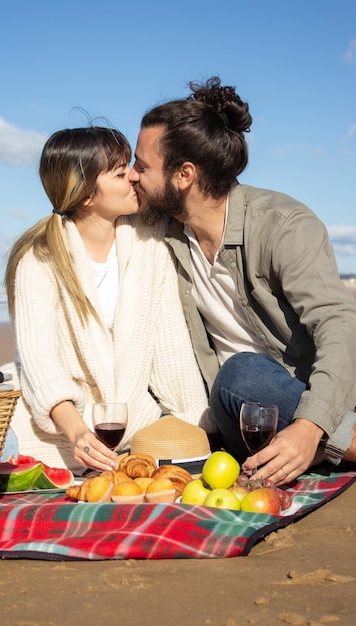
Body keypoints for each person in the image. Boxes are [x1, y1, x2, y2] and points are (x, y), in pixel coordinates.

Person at [129, 76, 356, 486]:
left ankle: (334, 441)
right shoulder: (165, 232)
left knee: (243, 373)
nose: (131, 176)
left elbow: (340, 326)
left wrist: (309, 426)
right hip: (235, 413)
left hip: (305, 396)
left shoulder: (282, 226)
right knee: (230, 385)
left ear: (184, 174)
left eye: (141, 166)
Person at [3, 126, 212, 475]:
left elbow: (169, 344)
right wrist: (79, 433)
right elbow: (41, 362)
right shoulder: (39, 260)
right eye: (119, 172)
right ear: (86, 195)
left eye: (130, 166)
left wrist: (197, 423)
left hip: (130, 417)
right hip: (58, 418)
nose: (134, 176)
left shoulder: (149, 244)